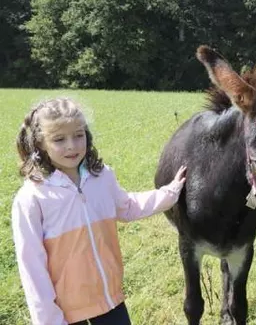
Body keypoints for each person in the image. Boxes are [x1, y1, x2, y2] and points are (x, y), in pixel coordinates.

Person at [11, 97, 187, 325]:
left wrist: (170, 193)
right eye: (59, 139)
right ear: (41, 143)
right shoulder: (32, 198)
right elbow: (32, 268)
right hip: (64, 314)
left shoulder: (101, 177)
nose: (72, 146)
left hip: (109, 301)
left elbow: (128, 207)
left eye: (78, 135)